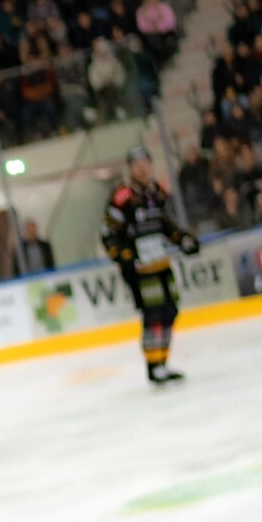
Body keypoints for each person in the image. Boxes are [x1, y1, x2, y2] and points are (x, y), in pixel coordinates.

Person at [101, 146, 201, 384]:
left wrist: (183, 239)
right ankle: (153, 365)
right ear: (130, 169)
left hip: (161, 265)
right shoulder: (122, 197)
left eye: (145, 162)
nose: (142, 167)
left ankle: (162, 361)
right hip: (140, 270)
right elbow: (108, 233)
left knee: (170, 311)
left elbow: (166, 225)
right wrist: (123, 257)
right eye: (136, 164)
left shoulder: (157, 192)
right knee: (153, 315)